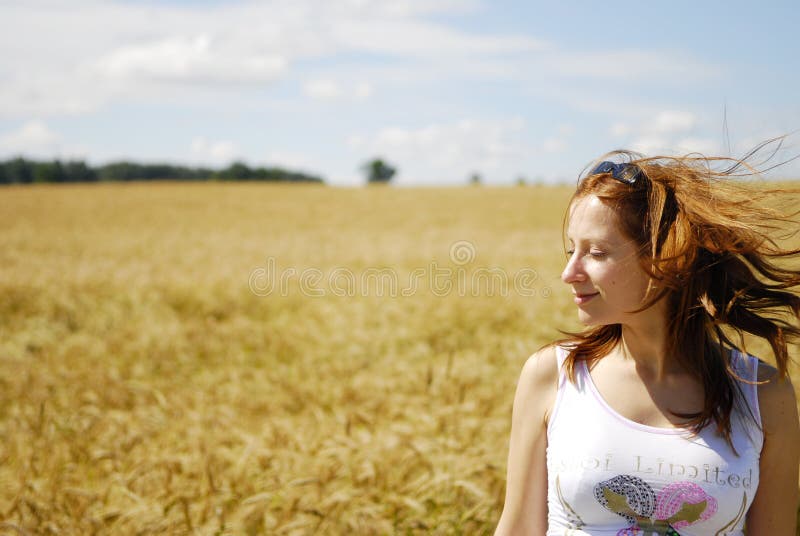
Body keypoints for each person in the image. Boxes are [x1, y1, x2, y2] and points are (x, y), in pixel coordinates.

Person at [495, 146, 800, 535]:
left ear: (663, 258)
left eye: (597, 253)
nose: (569, 273)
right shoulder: (553, 375)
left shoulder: (763, 395)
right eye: (573, 250)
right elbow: (518, 528)